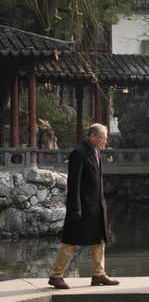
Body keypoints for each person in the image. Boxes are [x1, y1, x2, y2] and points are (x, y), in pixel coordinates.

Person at [48, 123, 120, 289]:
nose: (105, 140)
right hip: (82, 206)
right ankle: (56, 275)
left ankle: (99, 274)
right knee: (70, 241)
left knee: (100, 240)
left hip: (97, 205)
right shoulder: (79, 153)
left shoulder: (96, 151)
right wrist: (75, 208)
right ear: (93, 136)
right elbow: (74, 184)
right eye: (103, 137)